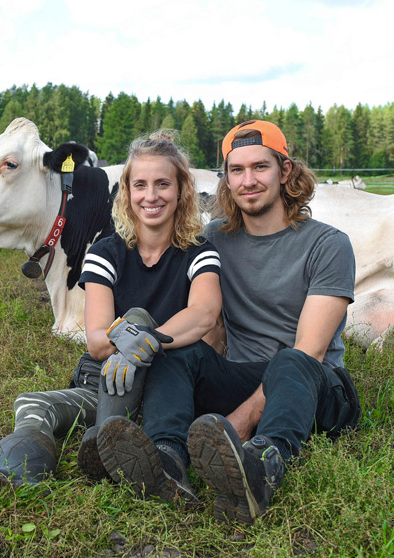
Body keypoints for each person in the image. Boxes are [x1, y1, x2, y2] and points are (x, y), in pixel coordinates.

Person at [95, 120, 361, 524]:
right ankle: (167, 460)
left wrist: (243, 419)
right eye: (237, 170)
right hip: (242, 373)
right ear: (226, 179)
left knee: (290, 361)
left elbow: (313, 349)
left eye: (260, 167)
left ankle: (261, 466)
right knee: (176, 346)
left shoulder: (327, 244)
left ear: (285, 171)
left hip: (314, 384)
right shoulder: (214, 239)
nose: (248, 181)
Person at [0, 131, 222, 506]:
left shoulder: (199, 251)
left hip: (167, 386)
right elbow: (97, 341)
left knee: (136, 317)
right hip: (104, 382)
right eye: (140, 185)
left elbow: (204, 314)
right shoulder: (105, 251)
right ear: (127, 192)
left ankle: (110, 443)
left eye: (162, 184)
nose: (150, 196)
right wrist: (123, 341)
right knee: (32, 403)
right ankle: (21, 479)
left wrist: (142, 339)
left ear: (182, 190)